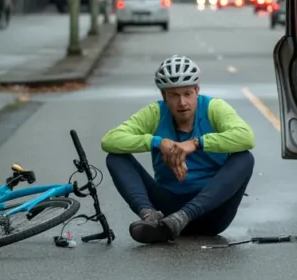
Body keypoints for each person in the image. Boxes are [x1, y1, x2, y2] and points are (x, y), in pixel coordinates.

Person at [100, 55, 256, 243]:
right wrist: (158, 142)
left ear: (197, 90)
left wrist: (195, 143)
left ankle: (183, 218)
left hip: (212, 211)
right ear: (163, 96)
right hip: (167, 210)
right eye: (174, 95)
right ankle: (150, 217)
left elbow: (246, 137)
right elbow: (110, 140)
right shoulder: (155, 113)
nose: (182, 102)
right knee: (116, 157)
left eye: (187, 93)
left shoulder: (214, 108)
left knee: (245, 158)